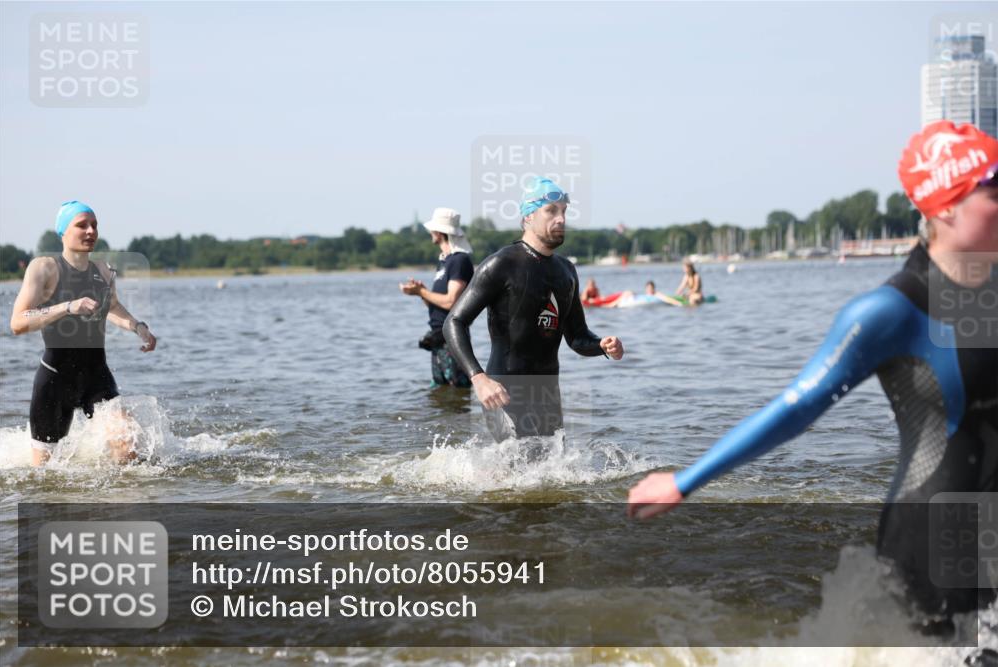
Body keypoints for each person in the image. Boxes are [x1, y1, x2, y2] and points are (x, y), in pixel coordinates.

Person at [627, 121, 998, 625]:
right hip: (937, 538)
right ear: (946, 204)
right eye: (993, 189)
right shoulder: (891, 311)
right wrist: (685, 482)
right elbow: (799, 405)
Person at [443, 178, 624, 442]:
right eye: (551, 211)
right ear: (528, 216)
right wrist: (479, 378)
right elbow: (454, 322)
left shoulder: (567, 271)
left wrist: (602, 346)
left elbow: (577, 336)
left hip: (548, 394)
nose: (561, 219)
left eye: (564, 211)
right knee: (515, 472)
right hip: (503, 391)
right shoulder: (501, 264)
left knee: (551, 477)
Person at [10, 201, 158, 466]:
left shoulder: (103, 271)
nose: (91, 231)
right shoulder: (44, 268)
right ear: (63, 231)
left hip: (96, 377)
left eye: (94, 225)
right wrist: (68, 307)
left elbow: (111, 307)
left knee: (127, 441)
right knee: (43, 476)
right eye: (82, 225)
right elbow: (18, 322)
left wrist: (138, 327)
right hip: (54, 382)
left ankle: (121, 505)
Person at [399, 207, 474, 388]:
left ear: (440, 232)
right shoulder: (444, 262)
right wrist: (421, 292)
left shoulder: (459, 260)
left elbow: (451, 302)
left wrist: (421, 292)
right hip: (439, 337)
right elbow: (438, 305)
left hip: (453, 338)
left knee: (457, 391)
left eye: (432, 229)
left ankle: (459, 418)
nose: (430, 233)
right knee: (440, 392)